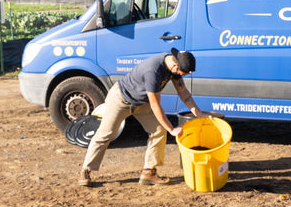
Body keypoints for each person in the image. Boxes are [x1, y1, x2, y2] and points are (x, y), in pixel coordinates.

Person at [78, 48, 209, 187]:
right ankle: (85, 170)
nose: (184, 76)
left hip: (142, 102)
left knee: (158, 130)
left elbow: (183, 92)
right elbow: (155, 105)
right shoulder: (153, 71)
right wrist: (171, 129)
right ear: (175, 66)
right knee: (105, 133)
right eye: (184, 73)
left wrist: (198, 113)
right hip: (121, 99)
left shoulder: (173, 66)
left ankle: (148, 173)